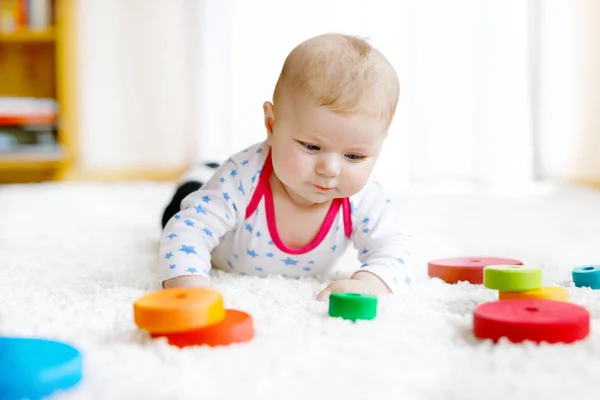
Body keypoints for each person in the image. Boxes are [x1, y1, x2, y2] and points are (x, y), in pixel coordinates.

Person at [158, 33, 412, 300]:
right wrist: (189, 284)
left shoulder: (363, 198)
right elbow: (190, 228)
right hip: (214, 202)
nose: (330, 169)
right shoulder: (242, 177)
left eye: (355, 157)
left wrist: (370, 283)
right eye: (311, 147)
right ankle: (201, 173)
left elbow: (394, 248)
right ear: (271, 125)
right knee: (177, 212)